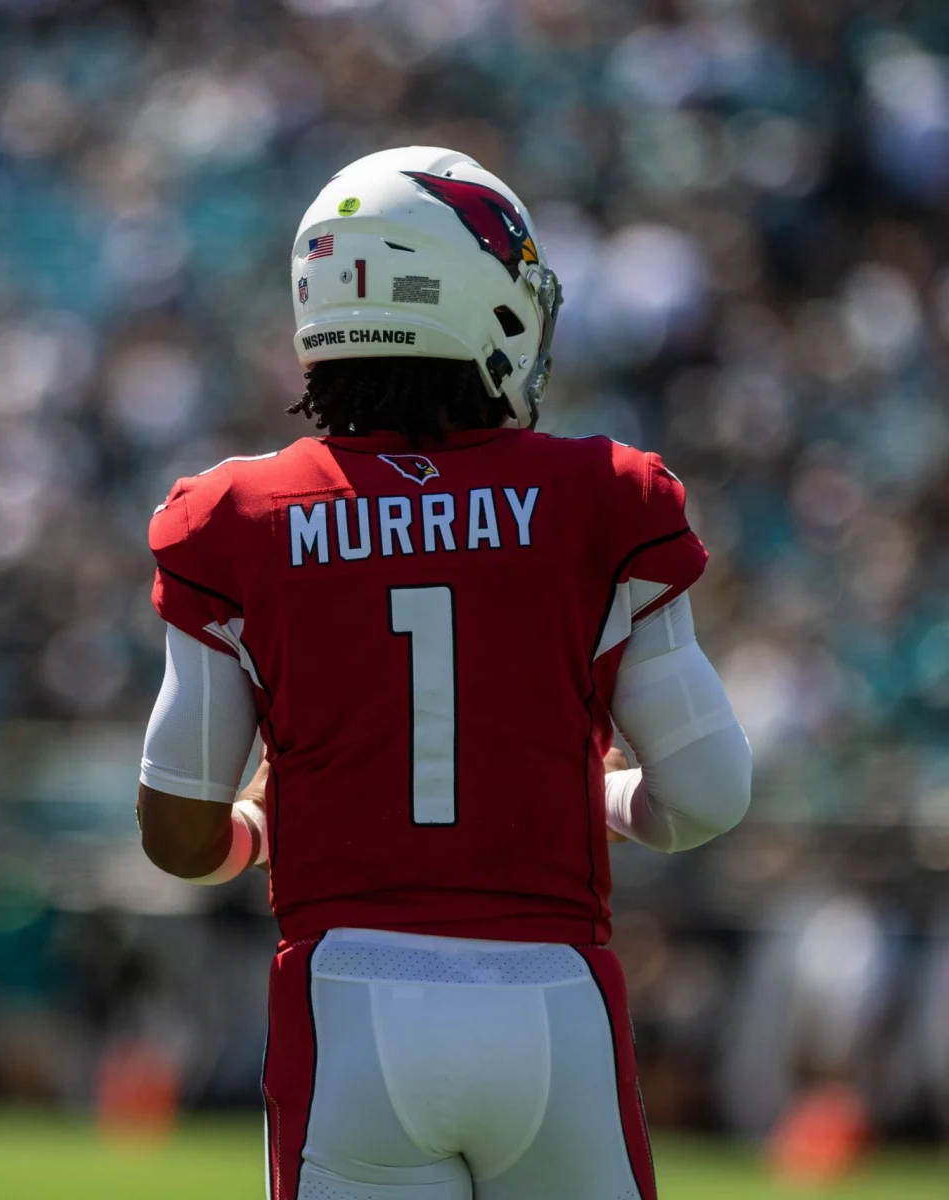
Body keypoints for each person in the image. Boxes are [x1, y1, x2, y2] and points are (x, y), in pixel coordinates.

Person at [134, 146, 752, 1199]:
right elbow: (708, 794)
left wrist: (262, 825)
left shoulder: (236, 517)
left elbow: (179, 833)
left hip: (350, 1003)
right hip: (553, 998)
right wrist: (588, 796)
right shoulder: (605, 496)